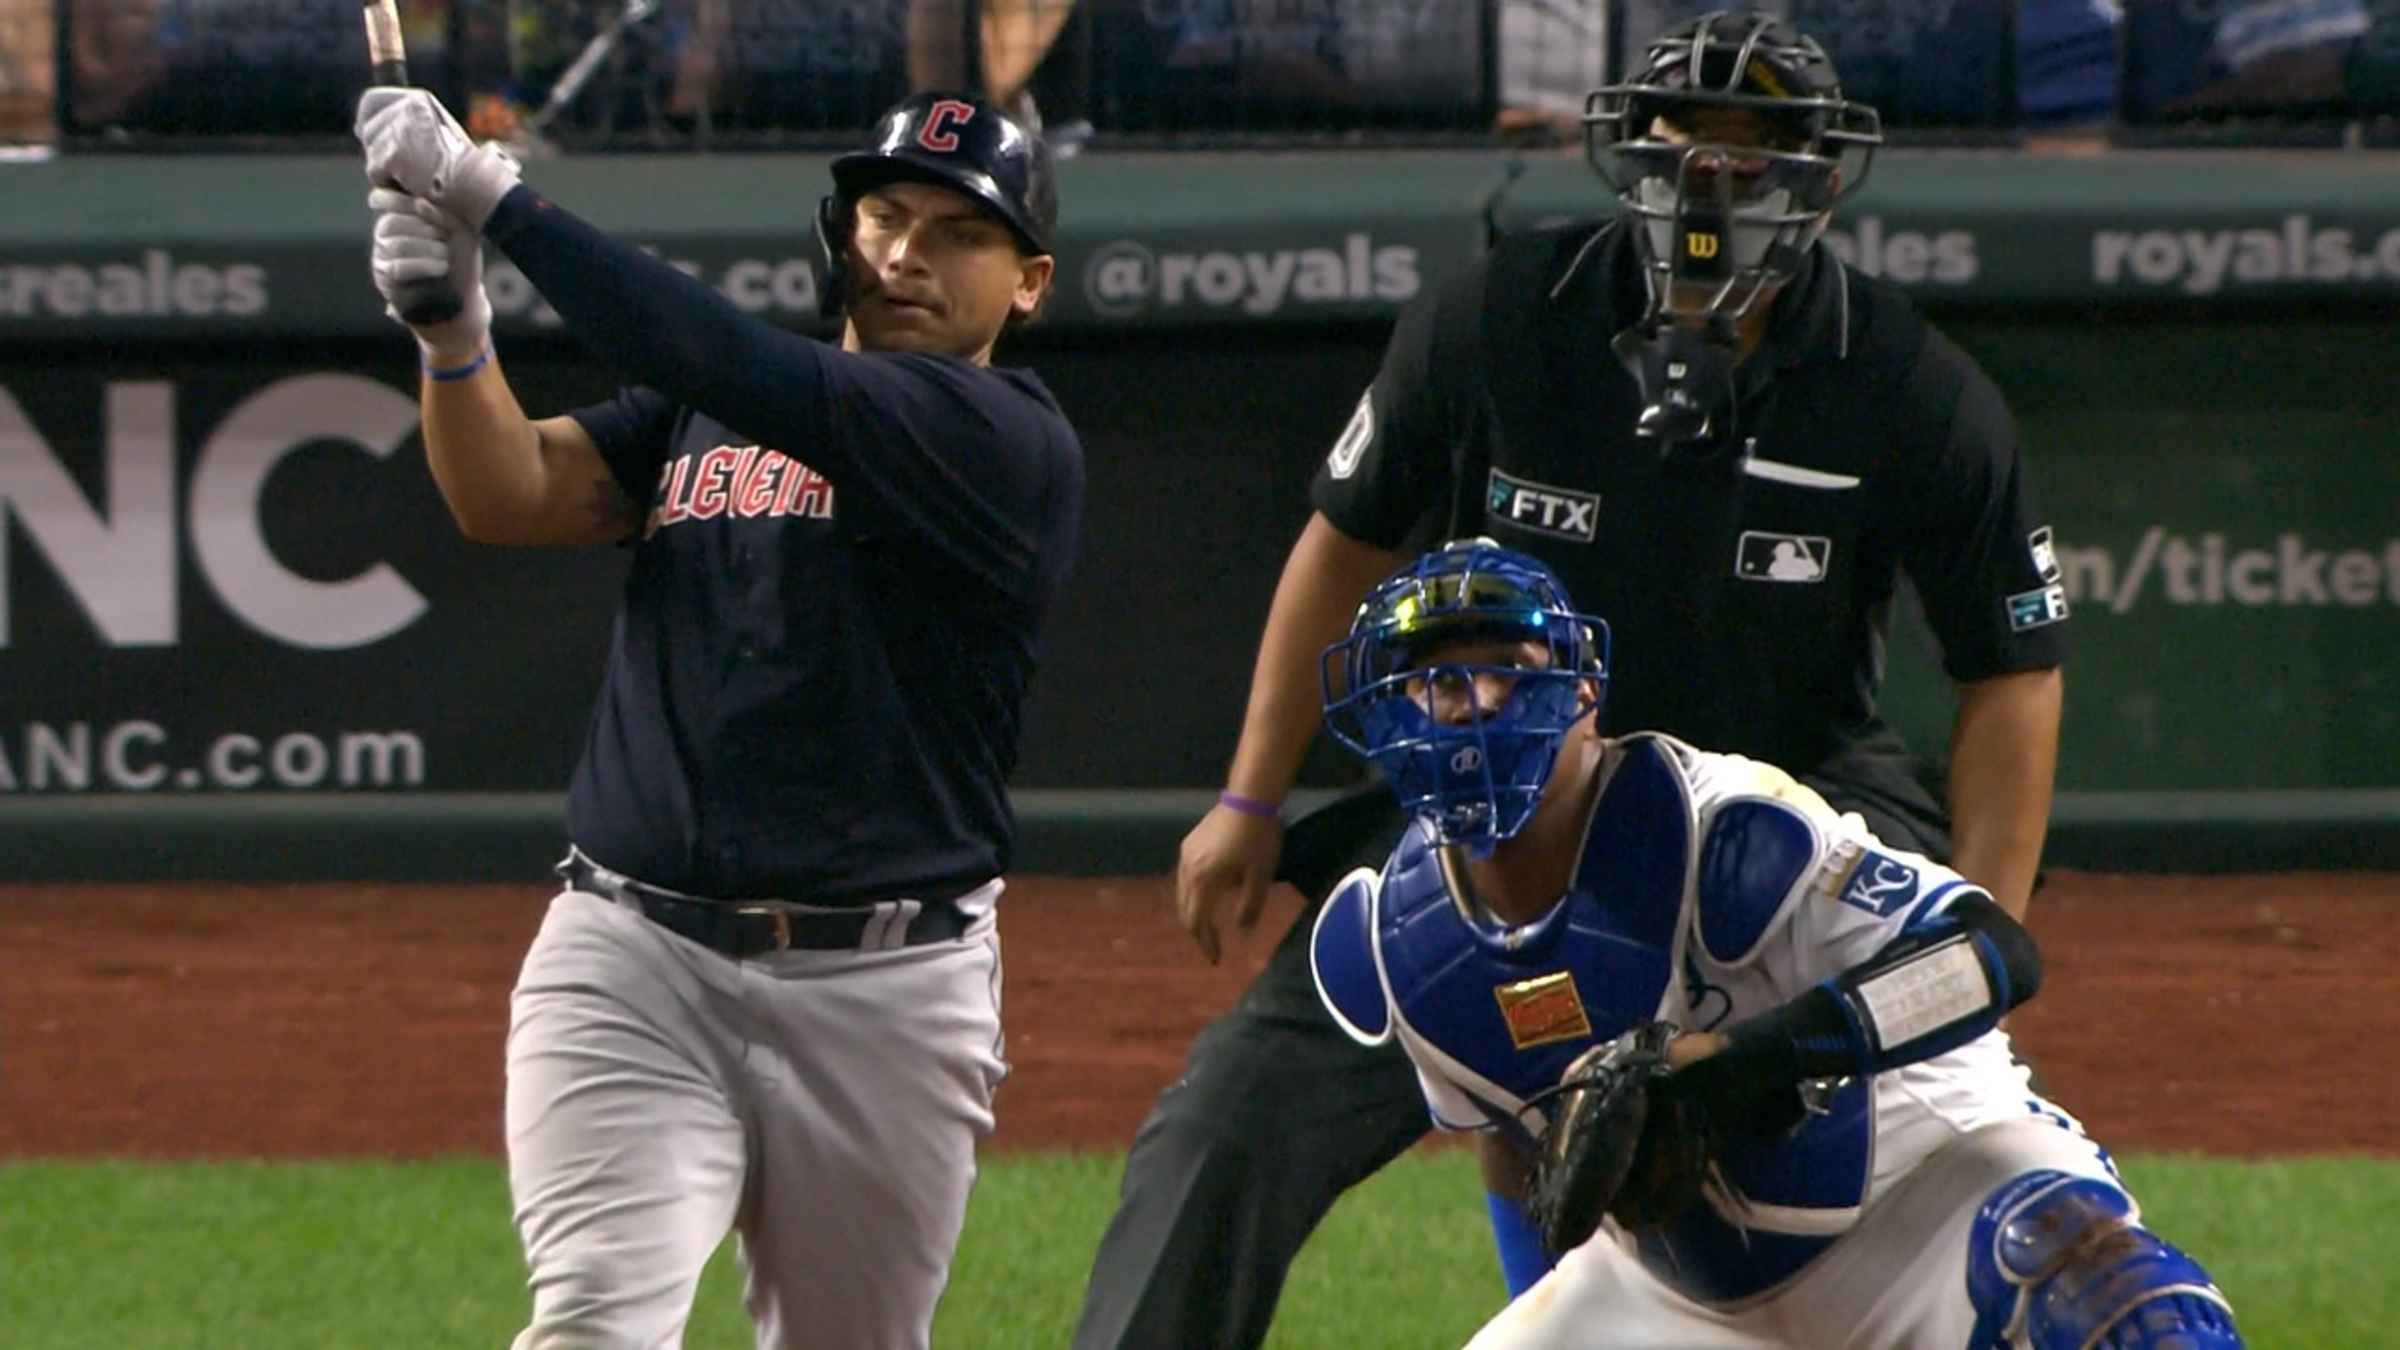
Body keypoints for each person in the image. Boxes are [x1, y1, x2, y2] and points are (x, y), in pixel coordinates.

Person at [1071, 11, 2067, 1347]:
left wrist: (1972, 941)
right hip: (1480, 799)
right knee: (1227, 1122)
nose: (1708, 185)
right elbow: (1344, 539)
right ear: (1623, 154)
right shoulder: (1500, 315)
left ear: (1821, 176)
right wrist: (1249, 801)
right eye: (1678, 146)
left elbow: (2012, 666)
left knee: (1892, 1124)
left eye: (1752, 150)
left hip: (1773, 815)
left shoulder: (1906, 387)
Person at [353, 87, 1082, 1348]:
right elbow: (512, 490)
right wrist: (450, 335)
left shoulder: (1002, 441)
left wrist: (497, 202)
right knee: (593, 1323)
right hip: (634, 956)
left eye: (958, 233)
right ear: (839, 232)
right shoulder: (726, 403)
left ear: (1027, 283)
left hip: (890, 990)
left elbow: (725, 357)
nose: (904, 253)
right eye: (884, 216)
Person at [1304, 538, 2242, 1349]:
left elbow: (1988, 956)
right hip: (1675, 1288)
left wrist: (1740, 1063)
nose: (1475, 703)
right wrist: (1543, 1292)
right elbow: (1516, 1143)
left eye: (1506, 662)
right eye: (1438, 679)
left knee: (2129, 1314)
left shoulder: (1727, 831)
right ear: (1390, 712)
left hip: (1917, 1194)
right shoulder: (1398, 947)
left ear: (1583, 689)